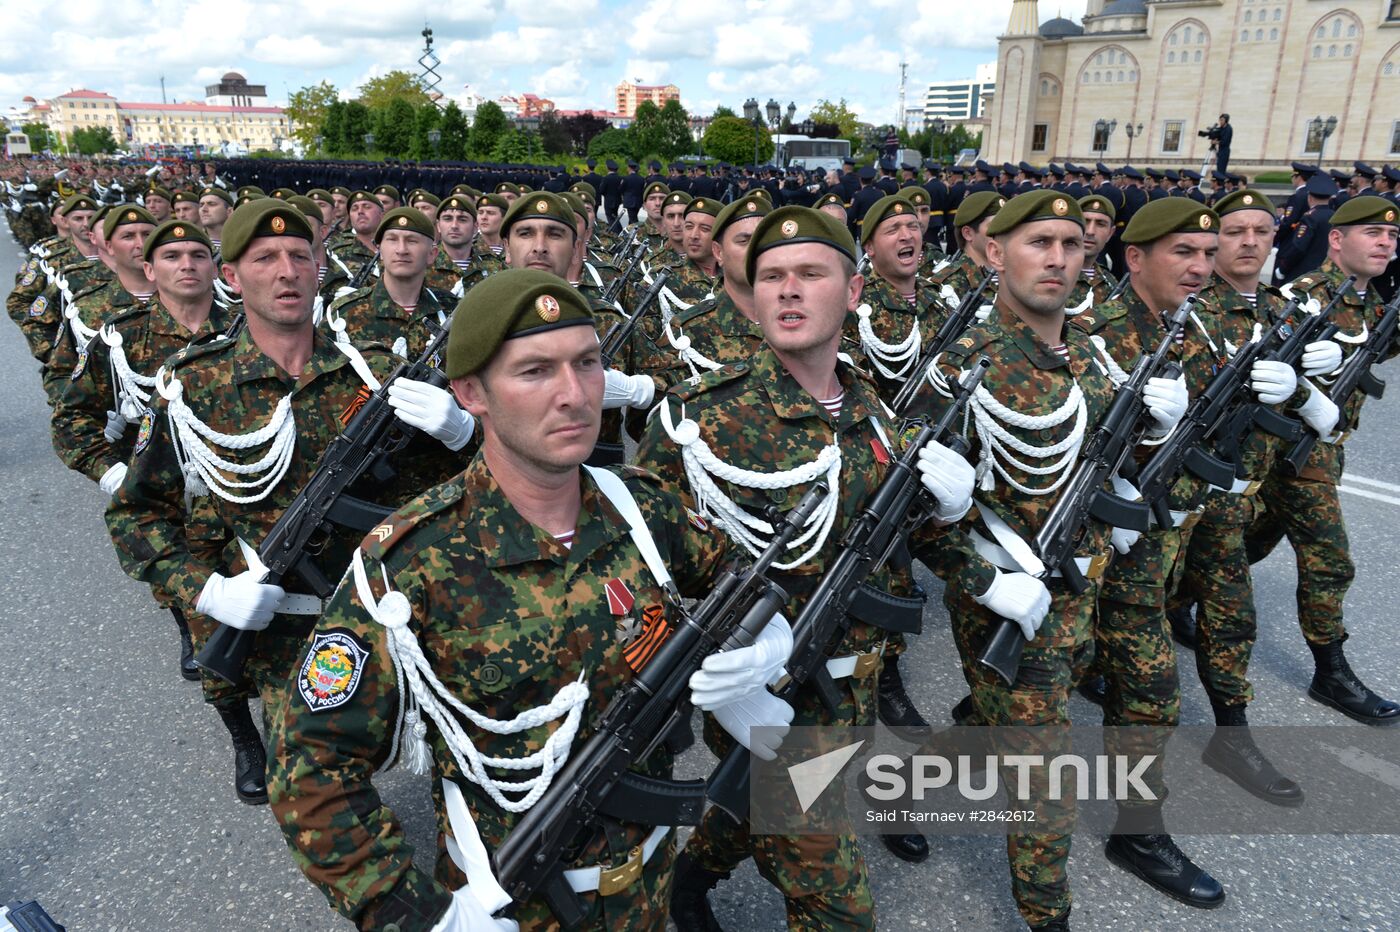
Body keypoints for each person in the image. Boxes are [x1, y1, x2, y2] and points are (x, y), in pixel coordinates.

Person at [267, 269, 781, 930]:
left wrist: (769, 640)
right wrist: (413, 913)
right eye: (535, 372)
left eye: (588, 363)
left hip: (646, 893)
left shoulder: (644, 505)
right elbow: (309, 765)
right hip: (507, 904)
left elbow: (741, 581)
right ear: (470, 392)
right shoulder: (412, 562)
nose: (574, 395)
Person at [639, 206, 976, 930]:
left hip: (851, 688)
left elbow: (905, 540)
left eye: (810, 274)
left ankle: (689, 876)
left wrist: (950, 515)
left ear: (853, 292)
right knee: (840, 907)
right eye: (771, 277)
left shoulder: (877, 414)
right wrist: (718, 680)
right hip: (762, 698)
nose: (789, 291)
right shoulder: (701, 418)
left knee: (746, 809)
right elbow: (646, 569)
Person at [105, 199, 474, 804]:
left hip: (395, 611)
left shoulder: (372, 371)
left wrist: (464, 433)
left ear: (319, 267)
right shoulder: (194, 384)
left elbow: (467, 487)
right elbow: (135, 514)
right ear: (232, 277)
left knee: (447, 759)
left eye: (301, 256)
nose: (286, 272)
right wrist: (207, 591)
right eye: (265, 258)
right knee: (317, 796)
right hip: (285, 628)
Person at [915, 191, 1187, 930]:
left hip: (1091, 583)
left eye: (1073, 244)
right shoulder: (962, 368)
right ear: (997, 253)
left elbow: (1107, 464)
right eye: (1040, 242)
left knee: (1146, 697)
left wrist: (1157, 436)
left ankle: (914, 776)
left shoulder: (1093, 352)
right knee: (1044, 781)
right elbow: (916, 511)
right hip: (1009, 597)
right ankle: (1048, 917)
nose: (1059, 258)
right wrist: (985, 582)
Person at [1070, 197, 1229, 907]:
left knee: (1151, 693)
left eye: (1206, 253)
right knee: (1013, 700)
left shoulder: (1196, 333)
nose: (1201, 267)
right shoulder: (1091, 338)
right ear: (1134, 259)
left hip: (1152, 550)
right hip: (1081, 551)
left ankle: (1138, 830)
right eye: (1182, 253)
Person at [1246, 195, 1400, 724]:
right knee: (1330, 560)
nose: (1385, 243)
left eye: (1392, 237)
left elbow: (1381, 349)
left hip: (1325, 453)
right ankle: (1331, 673)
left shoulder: (1374, 303)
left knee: (1250, 542)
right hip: (1290, 451)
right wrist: (1308, 392)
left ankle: (1176, 601)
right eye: (1372, 235)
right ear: (1336, 241)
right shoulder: (1301, 299)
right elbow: (1256, 377)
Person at [323, 207, 456, 355]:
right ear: (379, 250)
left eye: (412, 241)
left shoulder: (453, 311)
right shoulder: (342, 314)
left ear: (432, 254)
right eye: (392, 240)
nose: (401, 250)